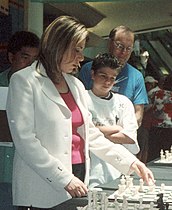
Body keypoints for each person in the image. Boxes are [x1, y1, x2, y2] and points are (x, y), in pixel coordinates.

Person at [6, 16, 154, 210]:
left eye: (81, 50)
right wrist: (64, 178)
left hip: (79, 176)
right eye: (76, 49)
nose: (81, 57)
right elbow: (26, 141)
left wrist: (130, 162)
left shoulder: (75, 85)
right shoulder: (24, 81)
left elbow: (91, 134)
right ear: (58, 45)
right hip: (41, 186)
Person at [79, 25, 148, 162]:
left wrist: (94, 133)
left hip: (120, 148)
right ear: (110, 43)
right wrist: (116, 128)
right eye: (120, 46)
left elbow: (137, 117)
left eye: (128, 48)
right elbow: (80, 122)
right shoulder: (88, 69)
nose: (124, 52)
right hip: (92, 150)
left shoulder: (136, 77)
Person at [87, 53, 140, 188]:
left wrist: (93, 131)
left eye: (112, 78)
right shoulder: (81, 98)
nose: (107, 82)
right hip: (89, 170)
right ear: (93, 74)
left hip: (117, 170)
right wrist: (116, 128)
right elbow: (80, 131)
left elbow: (128, 137)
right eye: (103, 76)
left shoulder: (124, 102)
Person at [147, 74, 172, 162]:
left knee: (153, 153)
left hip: (155, 127)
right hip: (170, 129)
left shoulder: (156, 93)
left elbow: (148, 106)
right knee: (167, 155)